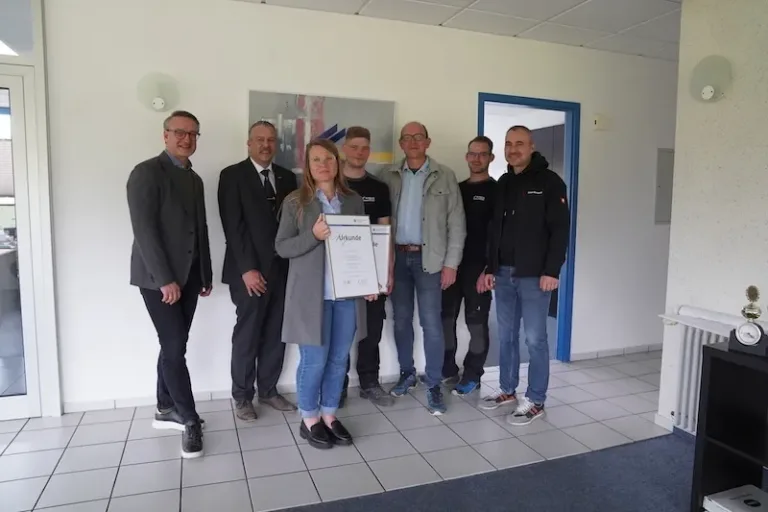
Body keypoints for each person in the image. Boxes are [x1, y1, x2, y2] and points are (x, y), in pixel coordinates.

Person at [275, 138, 376, 449]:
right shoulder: (295, 202)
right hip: (311, 297)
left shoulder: (353, 200)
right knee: (314, 361)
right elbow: (282, 247)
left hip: (347, 296)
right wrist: (313, 236)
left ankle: (329, 414)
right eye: (316, 159)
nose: (323, 164)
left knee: (338, 359)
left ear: (337, 163)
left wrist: (369, 282)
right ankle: (309, 418)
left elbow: (362, 245)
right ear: (308, 165)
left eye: (329, 158)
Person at [126, 110, 212, 459]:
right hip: (158, 279)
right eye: (179, 132)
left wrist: (205, 273)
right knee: (175, 347)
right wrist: (165, 279)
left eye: (192, 134)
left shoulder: (194, 179)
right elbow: (144, 231)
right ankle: (188, 419)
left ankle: (165, 406)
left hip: (190, 277)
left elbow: (200, 229)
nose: (186, 139)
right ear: (165, 135)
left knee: (174, 343)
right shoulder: (146, 173)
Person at [478, 125, 570, 426]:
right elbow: (495, 230)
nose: (513, 149)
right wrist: (490, 267)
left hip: (535, 276)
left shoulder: (550, 182)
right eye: (508, 143)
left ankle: (536, 399)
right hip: (504, 273)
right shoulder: (504, 183)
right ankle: (507, 390)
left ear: (532, 147)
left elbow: (560, 230)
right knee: (506, 336)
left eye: (519, 143)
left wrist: (552, 271)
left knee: (535, 339)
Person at [378, 122, 466, 415]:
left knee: (431, 323)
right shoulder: (388, 176)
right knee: (401, 320)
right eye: (407, 138)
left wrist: (451, 264)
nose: (413, 142)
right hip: (397, 259)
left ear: (428, 142)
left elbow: (457, 224)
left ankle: (434, 384)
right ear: (401, 144)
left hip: (431, 261)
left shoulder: (445, 175)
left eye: (419, 137)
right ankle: (407, 374)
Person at [218, 120, 298, 421]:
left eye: (271, 140)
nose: (266, 145)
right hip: (248, 273)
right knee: (248, 333)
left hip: (283, 270)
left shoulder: (288, 177)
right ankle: (242, 396)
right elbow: (233, 226)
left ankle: (268, 390)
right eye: (260, 139)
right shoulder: (232, 175)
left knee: (276, 332)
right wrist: (248, 269)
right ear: (249, 143)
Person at [339, 126, 395, 408]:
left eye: (364, 148)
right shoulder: (332, 185)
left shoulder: (378, 188)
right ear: (344, 149)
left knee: (371, 330)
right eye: (354, 147)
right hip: (340, 274)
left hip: (373, 274)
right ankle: (336, 385)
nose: (359, 152)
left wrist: (388, 272)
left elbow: (386, 232)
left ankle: (369, 382)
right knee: (339, 332)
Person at [442, 136, 496, 395]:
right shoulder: (457, 189)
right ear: (466, 156)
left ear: (491, 158)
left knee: (476, 324)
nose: (477, 158)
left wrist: (490, 268)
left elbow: (500, 235)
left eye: (482, 154)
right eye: (472, 154)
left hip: (479, 270)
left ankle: (473, 374)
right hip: (452, 266)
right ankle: (447, 369)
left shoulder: (497, 191)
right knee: (445, 321)